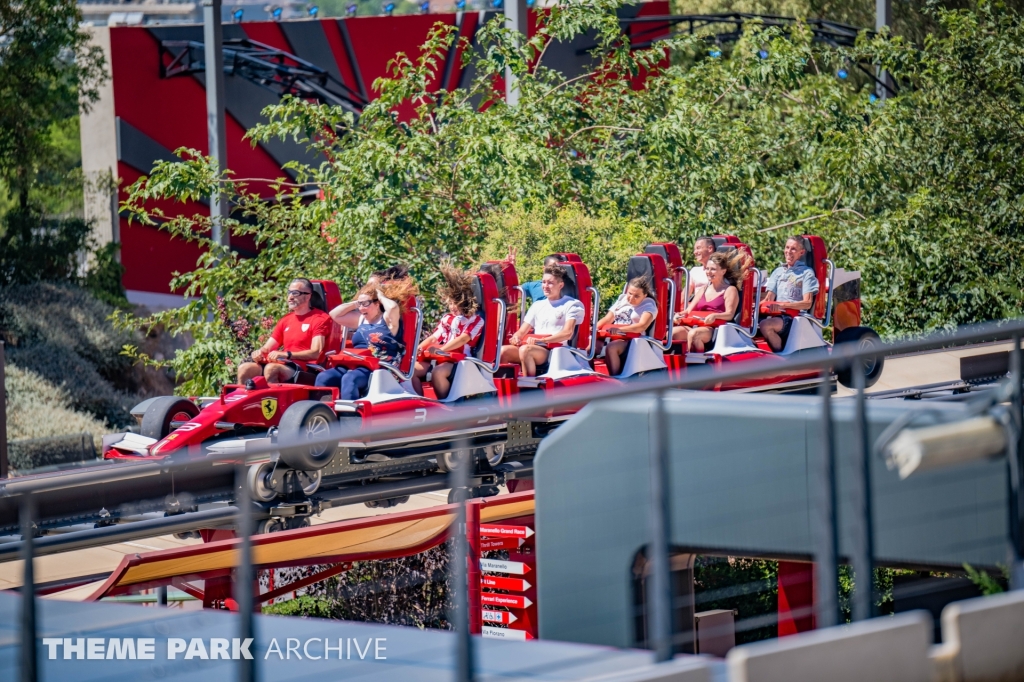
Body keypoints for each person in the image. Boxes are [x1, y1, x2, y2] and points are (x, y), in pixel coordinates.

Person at [315, 278, 419, 399]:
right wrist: (359, 301)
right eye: (360, 305)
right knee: (324, 377)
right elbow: (334, 314)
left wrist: (380, 295)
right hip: (356, 362)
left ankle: (350, 416)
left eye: (366, 304)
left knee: (350, 379)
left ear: (377, 304)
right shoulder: (361, 319)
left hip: (380, 367)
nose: (361, 308)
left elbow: (392, 308)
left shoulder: (388, 320)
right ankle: (323, 413)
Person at [236, 278, 332, 383]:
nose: (290, 297)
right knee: (244, 368)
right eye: (289, 292)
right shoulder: (285, 320)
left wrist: (287, 355)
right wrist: (258, 353)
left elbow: (315, 353)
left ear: (308, 296)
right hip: (283, 363)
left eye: (295, 293)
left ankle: (272, 399)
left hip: (306, 368)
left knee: (271, 368)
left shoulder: (320, 318)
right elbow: (267, 348)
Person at [412, 264, 485, 399]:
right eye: (450, 303)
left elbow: (463, 339)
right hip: (441, 357)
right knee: (411, 370)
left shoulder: (476, 320)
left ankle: (448, 404)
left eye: (455, 303)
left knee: (438, 372)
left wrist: (443, 349)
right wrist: (419, 348)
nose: (452, 307)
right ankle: (420, 401)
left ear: (465, 302)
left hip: (460, 361)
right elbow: (434, 338)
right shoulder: (447, 318)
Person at [500, 263, 585, 377]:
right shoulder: (537, 305)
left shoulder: (572, 304)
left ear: (560, 285)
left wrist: (543, 340)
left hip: (555, 350)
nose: (545, 286)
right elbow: (522, 331)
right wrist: (516, 337)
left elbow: (567, 333)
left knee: (526, 350)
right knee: (503, 351)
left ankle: (529, 387)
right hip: (536, 347)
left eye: (550, 283)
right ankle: (502, 389)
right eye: (544, 282)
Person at [672, 250, 749, 353]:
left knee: (694, 334)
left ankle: (698, 365)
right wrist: (678, 316)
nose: (708, 272)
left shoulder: (730, 290)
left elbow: (729, 314)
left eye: (713, 269)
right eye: (707, 269)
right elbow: (687, 311)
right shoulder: (703, 289)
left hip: (715, 329)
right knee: (672, 333)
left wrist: (714, 316)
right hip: (697, 325)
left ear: (723, 271)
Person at [758, 236, 819, 351]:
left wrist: (783, 305)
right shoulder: (778, 271)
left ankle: (781, 355)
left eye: (793, 249)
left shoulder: (806, 273)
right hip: (776, 314)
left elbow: (807, 303)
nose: (788, 252)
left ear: (802, 252)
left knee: (765, 325)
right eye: (787, 248)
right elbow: (768, 298)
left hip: (794, 318)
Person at [595, 276, 658, 376]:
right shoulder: (622, 300)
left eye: (637, 296)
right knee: (590, 345)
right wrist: (594, 328)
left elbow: (642, 326)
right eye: (630, 293)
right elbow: (608, 319)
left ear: (644, 295)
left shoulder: (649, 305)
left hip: (633, 341)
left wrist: (619, 329)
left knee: (612, 347)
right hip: (613, 336)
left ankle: (616, 380)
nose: (631, 298)